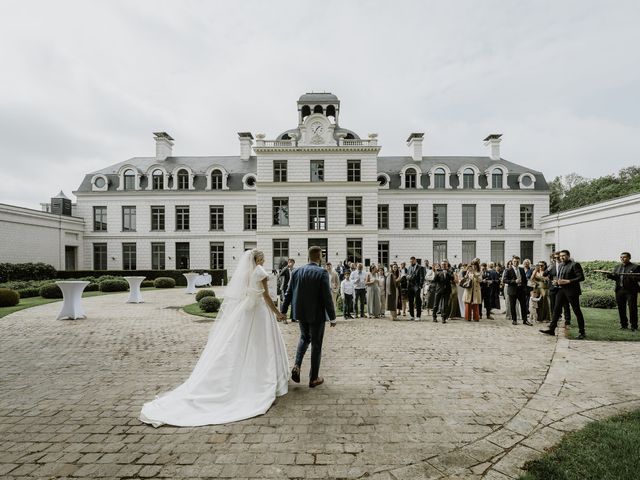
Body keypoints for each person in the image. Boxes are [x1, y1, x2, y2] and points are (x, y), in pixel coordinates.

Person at [139, 249, 289, 427]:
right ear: (258, 259)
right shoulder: (260, 272)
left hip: (247, 310)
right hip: (259, 312)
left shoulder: (247, 273)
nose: (265, 260)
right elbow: (266, 296)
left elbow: (244, 293)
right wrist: (278, 312)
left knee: (239, 343)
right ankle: (263, 377)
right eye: (263, 257)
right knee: (262, 344)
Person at [281, 246, 337, 387]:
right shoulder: (322, 272)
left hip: (301, 313)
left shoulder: (297, 271)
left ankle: (297, 365)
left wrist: (283, 310)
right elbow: (327, 297)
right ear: (319, 258)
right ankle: (313, 378)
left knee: (304, 337)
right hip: (317, 315)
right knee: (316, 345)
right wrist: (332, 316)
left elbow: (288, 293)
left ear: (308, 257)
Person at [540, 250, 587, 339]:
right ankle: (551, 329)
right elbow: (561, 278)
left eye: (564, 256)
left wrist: (568, 281)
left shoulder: (574, 264)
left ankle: (582, 332)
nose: (561, 257)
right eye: (561, 256)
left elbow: (581, 277)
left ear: (568, 256)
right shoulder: (561, 265)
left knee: (577, 311)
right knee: (556, 310)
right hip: (561, 290)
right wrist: (556, 282)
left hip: (572, 291)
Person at [601, 252, 640, 331]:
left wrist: (632, 276)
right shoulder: (617, 267)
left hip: (631, 291)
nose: (622, 259)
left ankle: (634, 326)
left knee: (632, 308)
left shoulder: (636, 267)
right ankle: (623, 325)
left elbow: (639, 278)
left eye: (624, 257)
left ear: (629, 258)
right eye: (621, 257)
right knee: (621, 308)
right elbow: (616, 278)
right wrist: (608, 275)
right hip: (619, 290)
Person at [544, 252, 571, 326]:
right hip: (553, 287)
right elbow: (544, 274)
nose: (557, 259)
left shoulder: (564, 265)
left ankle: (567, 320)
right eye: (555, 258)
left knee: (565, 304)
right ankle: (554, 320)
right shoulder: (551, 265)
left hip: (563, 288)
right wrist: (548, 269)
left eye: (558, 257)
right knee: (553, 304)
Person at [503, 256, 532, 326]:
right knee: (512, 306)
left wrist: (524, 287)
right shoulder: (508, 270)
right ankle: (514, 320)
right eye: (514, 261)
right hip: (512, 290)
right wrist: (514, 281)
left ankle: (525, 320)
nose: (516, 263)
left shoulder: (521, 269)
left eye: (517, 261)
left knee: (523, 306)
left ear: (519, 262)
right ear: (512, 262)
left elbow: (525, 280)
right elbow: (504, 280)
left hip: (521, 290)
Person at [406, 256, 425, 321]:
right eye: (410, 261)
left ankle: (418, 316)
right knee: (410, 301)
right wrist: (408, 277)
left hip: (417, 286)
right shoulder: (409, 267)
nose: (411, 262)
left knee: (417, 301)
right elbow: (407, 275)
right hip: (410, 286)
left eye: (412, 261)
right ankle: (411, 315)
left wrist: (420, 286)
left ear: (415, 260)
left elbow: (422, 277)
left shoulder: (420, 267)